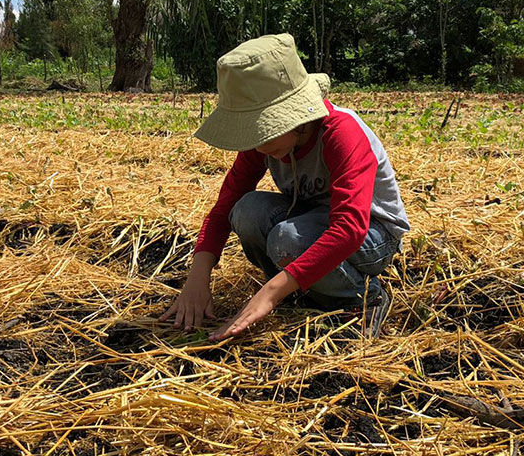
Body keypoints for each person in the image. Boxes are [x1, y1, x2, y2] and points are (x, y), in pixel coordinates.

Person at [160, 33, 409, 341]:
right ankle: (304, 291)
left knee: (286, 240)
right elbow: (225, 207)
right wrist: (197, 280)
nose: (258, 144)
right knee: (246, 211)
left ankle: (360, 299)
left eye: (265, 129)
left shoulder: (340, 132)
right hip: (312, 221)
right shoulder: (263, 144)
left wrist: (269, 295)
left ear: (295, 117)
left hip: (372, 236)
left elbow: (349, 227)